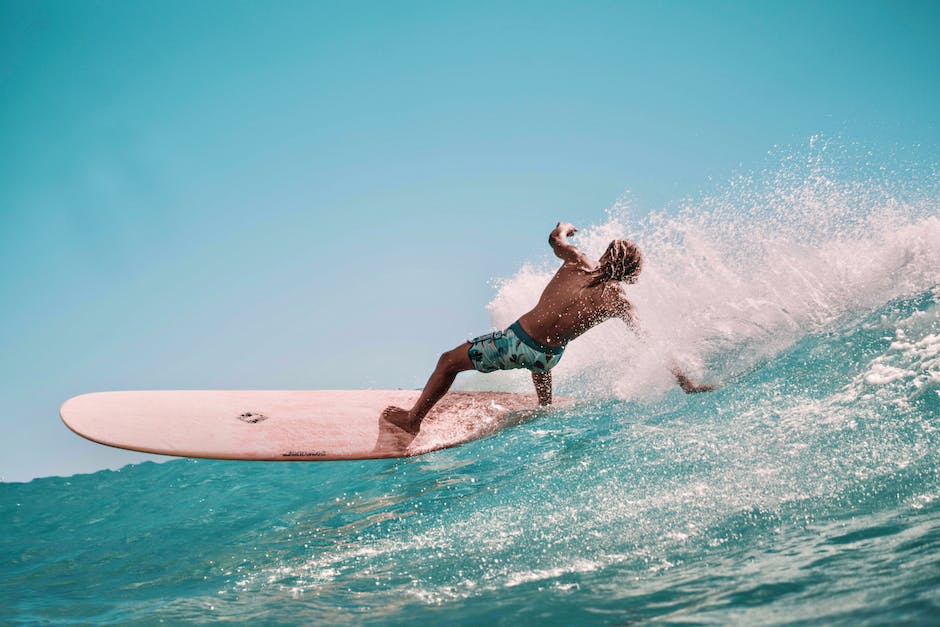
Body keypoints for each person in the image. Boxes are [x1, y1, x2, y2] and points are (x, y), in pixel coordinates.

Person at [381, 222, 713, 437]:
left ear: (606, 254)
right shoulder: (620, 302)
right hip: (549, 357)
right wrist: (686, 382)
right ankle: (544, 408)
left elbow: (554, 239)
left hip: (515, 342)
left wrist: (565, 228)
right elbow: (650, 342)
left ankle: (413, 421)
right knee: (539, 362)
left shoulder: (578, 262)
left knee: (447, 361)